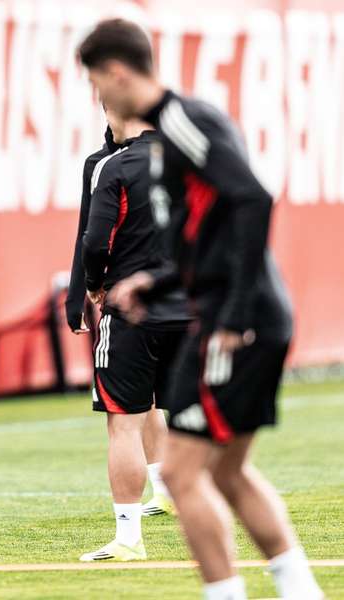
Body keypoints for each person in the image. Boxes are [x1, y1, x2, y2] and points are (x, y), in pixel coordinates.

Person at [78, 18, 324, 599]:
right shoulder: (166, 138)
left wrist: (234, 314)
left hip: (234, 324)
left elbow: (252, 197)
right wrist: (155, 284)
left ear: (116, 72)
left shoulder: (182, 120)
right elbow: (205, 236)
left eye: (94, 81)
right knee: (227, 473)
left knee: (186, 475)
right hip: (228, 316)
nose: (96, 95)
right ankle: (300, 590)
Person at [69, 105, 190, 563]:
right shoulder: (190, 162)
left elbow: (95, 240)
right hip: (190, 311)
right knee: (198, 423)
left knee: (124, 424)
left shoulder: (115, 166)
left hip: (131, 314)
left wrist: (95, 284)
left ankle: (128, 538)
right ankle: (209, 521)